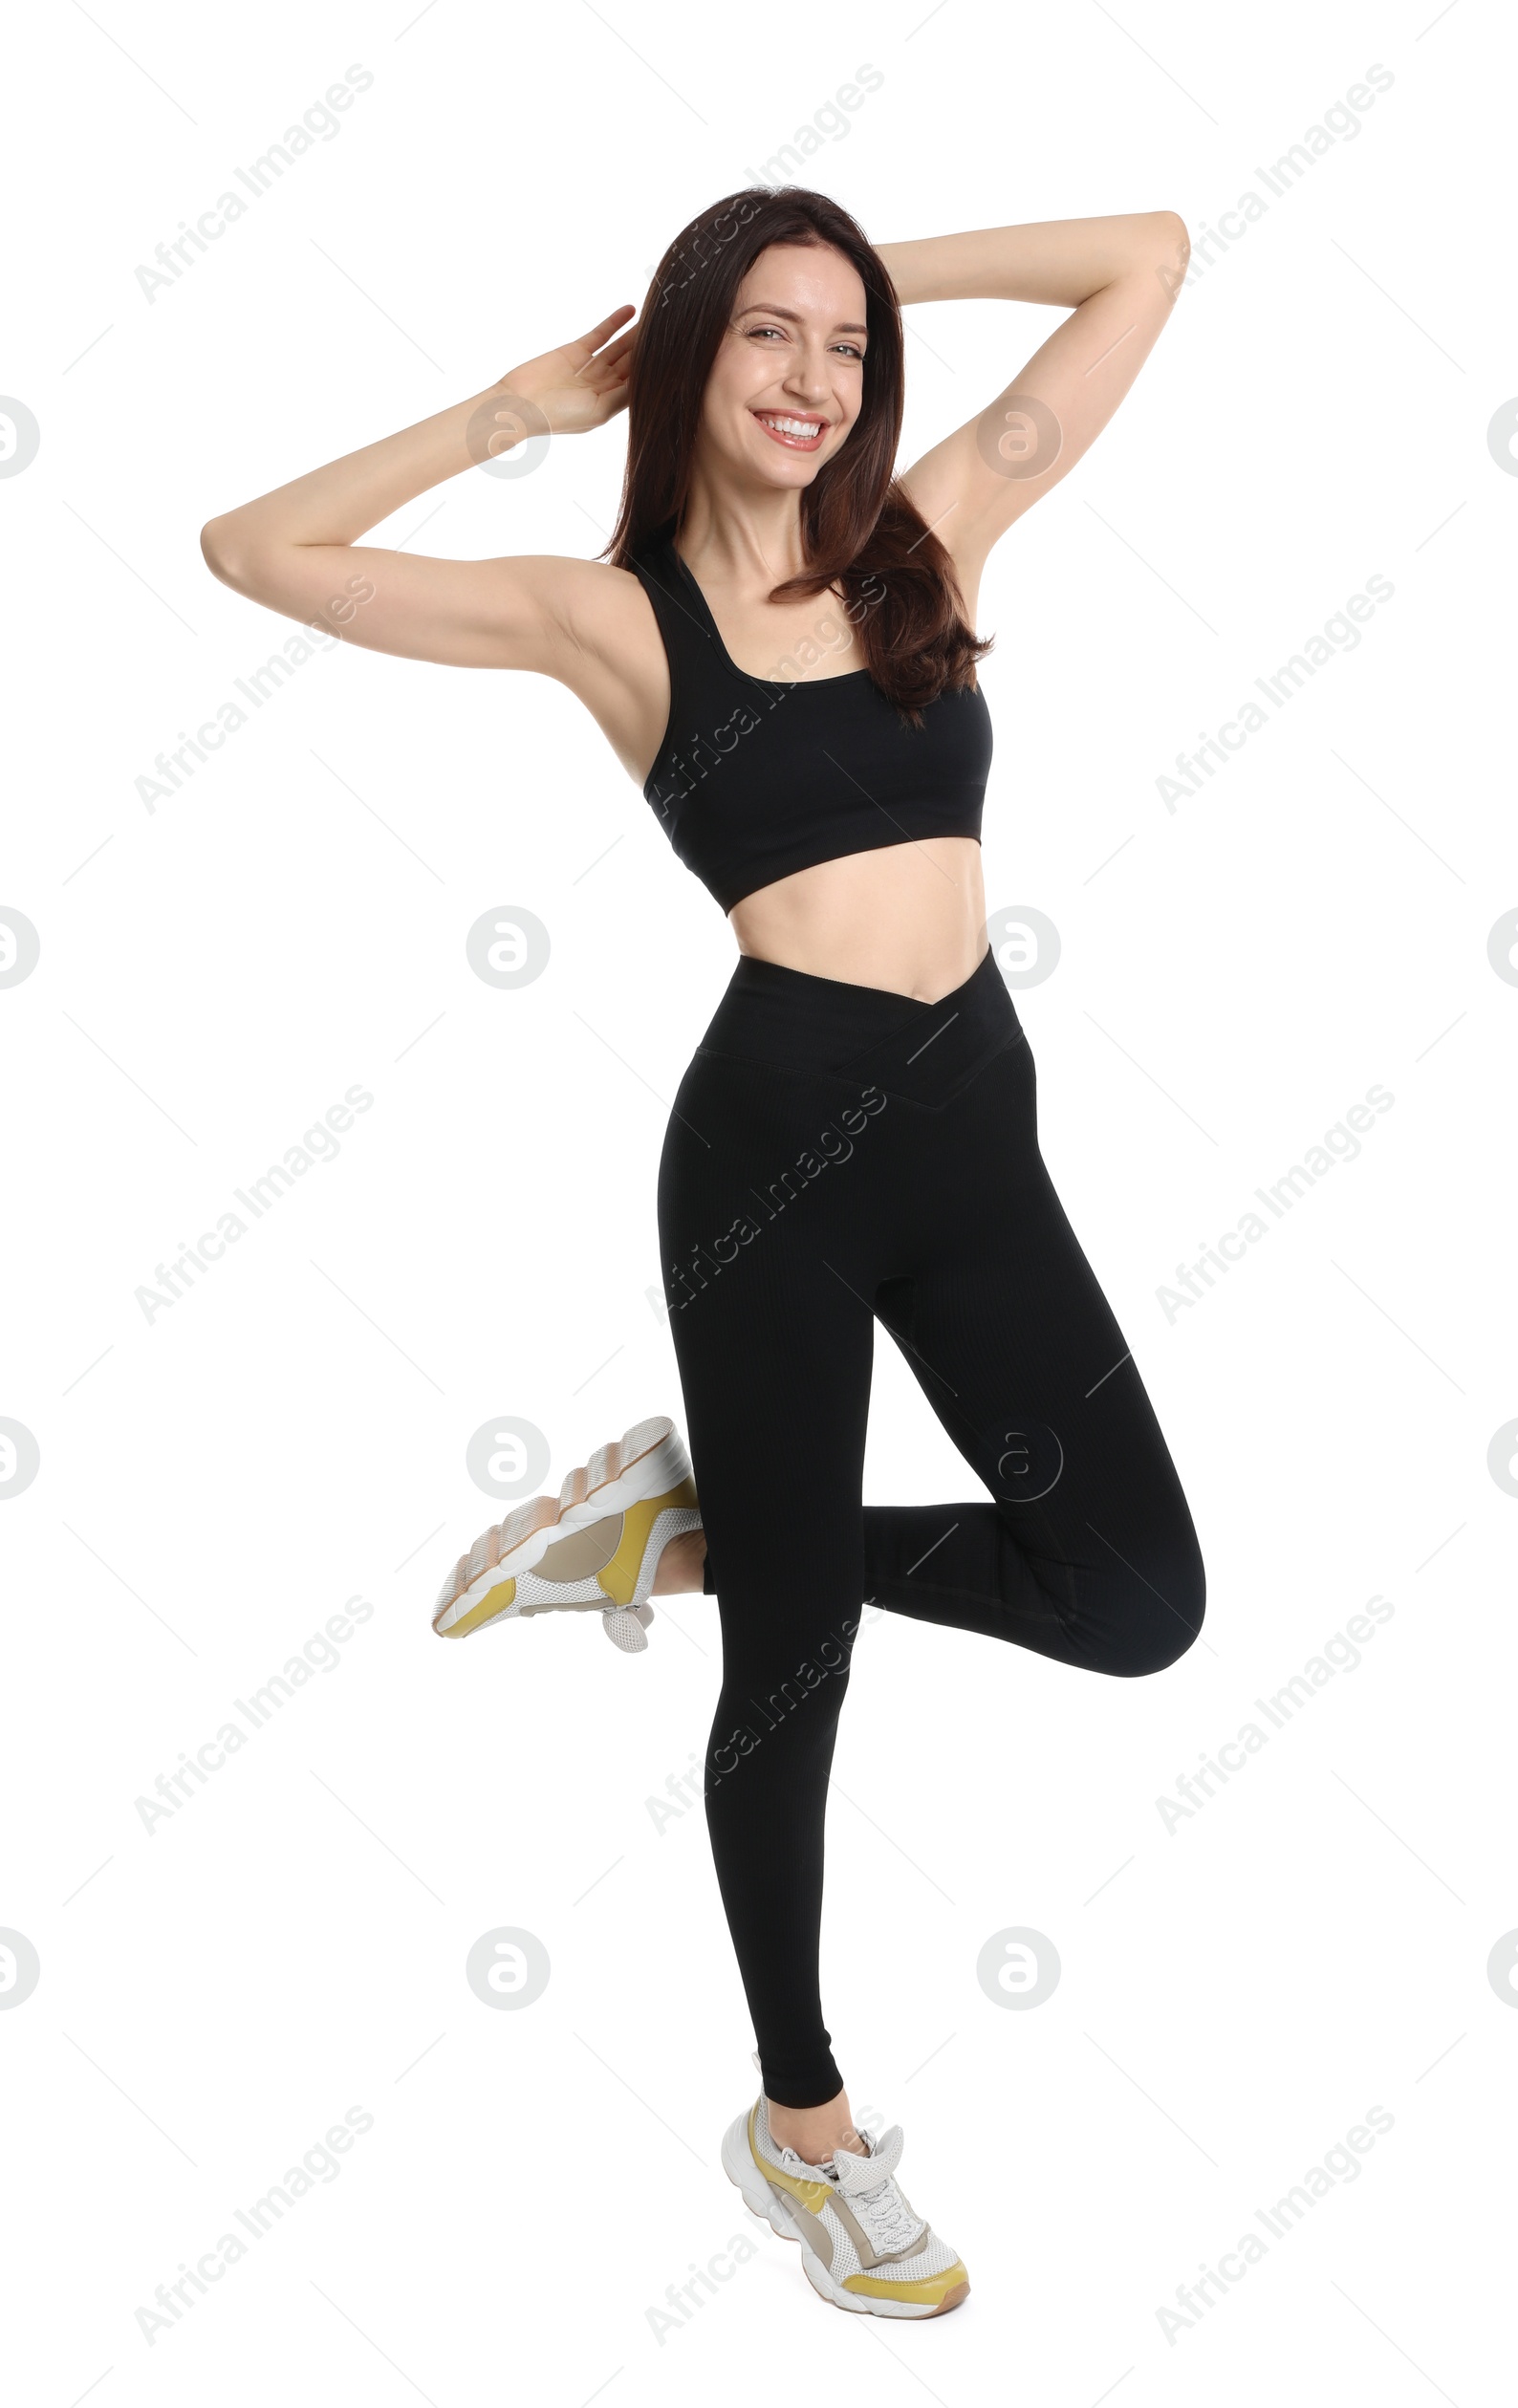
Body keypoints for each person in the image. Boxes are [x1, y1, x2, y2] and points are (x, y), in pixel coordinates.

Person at [202, 185, 1204, 2320]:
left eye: (836, 347)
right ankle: (805, 2129)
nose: (807, 381)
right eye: (759, 336)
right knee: (799, 1674)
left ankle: (700, 1526)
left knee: (1134, 1598)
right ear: (684, 356)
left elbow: (1150, 252)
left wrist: (869, 270)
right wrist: (508, 408)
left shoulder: (926, 537)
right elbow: (252, 553)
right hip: (774, 1153)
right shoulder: (610, 618)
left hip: (975, 1135)